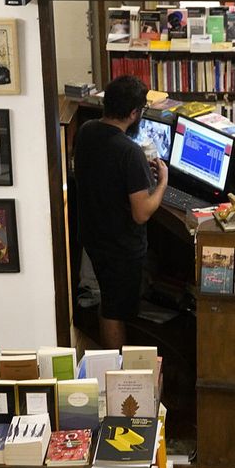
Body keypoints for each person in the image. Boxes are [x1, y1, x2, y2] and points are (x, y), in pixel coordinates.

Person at [74, 75, 168, 350]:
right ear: (134, 113)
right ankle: (117, 368)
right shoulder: (129, 152)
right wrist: (162, 182)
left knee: (110, 298)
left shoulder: (88, 130)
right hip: (120, 245)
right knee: (115, 308)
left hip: (93, 234)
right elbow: (142, 213)